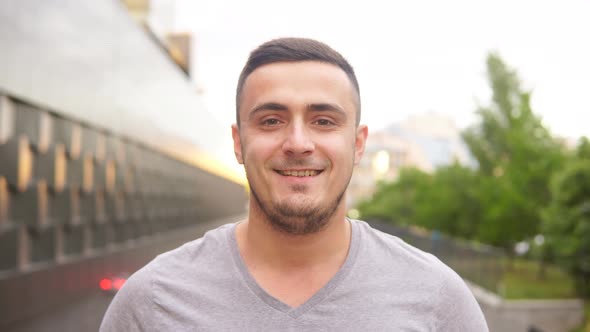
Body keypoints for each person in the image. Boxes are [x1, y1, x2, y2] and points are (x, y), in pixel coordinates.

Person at [100, 37, 489, 331]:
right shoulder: (151, 302)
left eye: (323, 121)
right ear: (238, 143)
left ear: (357, 144)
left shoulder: (438, 300)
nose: (298, 144)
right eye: (271, 120)